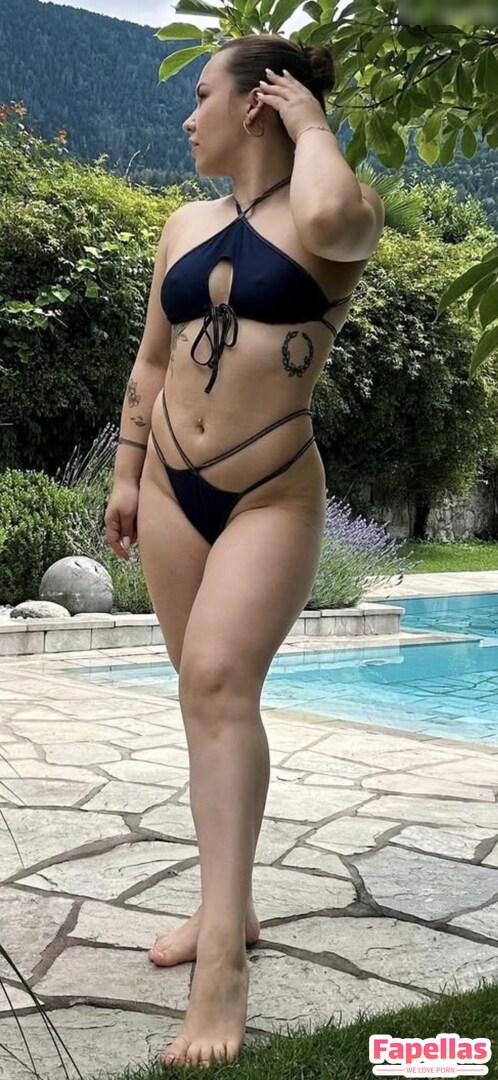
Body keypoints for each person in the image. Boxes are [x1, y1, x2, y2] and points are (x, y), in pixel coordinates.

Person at [104, 32, 384, 1069]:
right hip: (169, 489)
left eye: (203, 96)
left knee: (220, 681)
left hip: (269, 493)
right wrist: (127, 473)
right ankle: (233, 904)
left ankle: (222, 962)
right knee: (201, 696)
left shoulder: (336, 213)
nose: (188, 119)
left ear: (257, 103)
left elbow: (330, 216)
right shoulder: (184, 224)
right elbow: (152, 360)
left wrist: (312, 119)